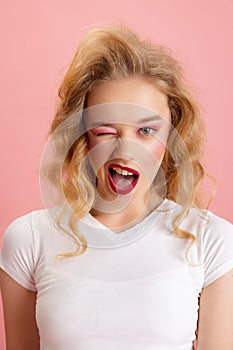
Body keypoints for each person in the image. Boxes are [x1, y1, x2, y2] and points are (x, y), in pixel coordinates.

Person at [0, 24, 233, 350]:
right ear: (82, 134)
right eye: (106, 130)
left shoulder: (212, 241)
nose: (126, 152)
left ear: (172, 134)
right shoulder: (28, 239)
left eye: (147, 131)